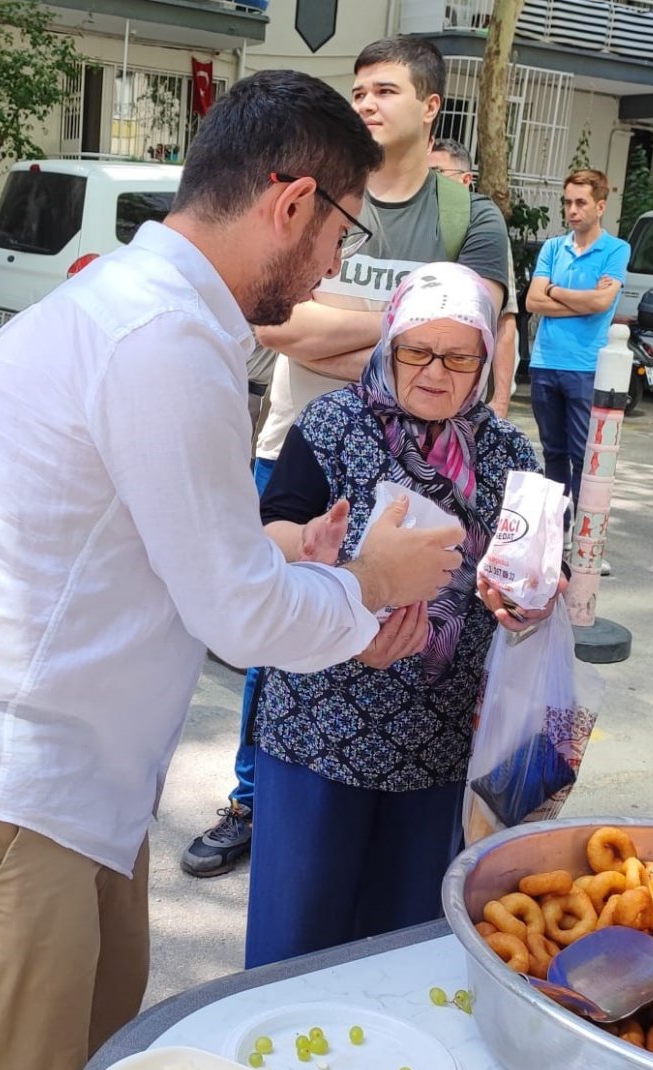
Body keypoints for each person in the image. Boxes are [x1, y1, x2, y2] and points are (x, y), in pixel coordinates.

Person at [0, 70, 468, 1070]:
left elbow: (168, 549)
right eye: (340, 234)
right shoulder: (162, 337)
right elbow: (236, 615)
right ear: (289, 202)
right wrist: (368, 581)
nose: (330, 268)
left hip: (72, 781)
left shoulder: (147, 314)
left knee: (103, 1048)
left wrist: (284, 553)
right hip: (11, 782)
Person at [182, 35, 512, 879]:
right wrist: (396, 329)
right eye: (358, 89)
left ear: (432, 106)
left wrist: (396, 335)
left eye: (386, 90)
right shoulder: (330, 423)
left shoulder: (463, 217)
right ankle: (253, 794)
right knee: (279, 606)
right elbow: (280, 320)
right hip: (299, 442)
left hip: (436, 729)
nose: (367, 102)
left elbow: (462, 318)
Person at [243, 262, 555, 967]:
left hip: (438, 746)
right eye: (417, 351)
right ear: (389, 346)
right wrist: (308, 547)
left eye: (458, 356)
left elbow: (541, 562)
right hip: (320, 732)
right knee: (296, 950)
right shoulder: (332, 424)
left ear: (486, 361)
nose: (435, 373)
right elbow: (269, 533)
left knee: (404, 953)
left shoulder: (506, 451)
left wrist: (530, 589)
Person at [524, 169, 630, 513]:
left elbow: (602, 306)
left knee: (583, 454)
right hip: (545, 363)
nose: (572, 210)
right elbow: (532, 302)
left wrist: (553, 292)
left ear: (600, 206)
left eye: (581, 202)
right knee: (552, 452)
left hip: (584, 367)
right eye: (568, 202)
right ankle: (557, 532)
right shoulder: (553, 248)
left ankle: (586, 538)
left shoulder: (616, 249)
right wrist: (580, 301)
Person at [428, 136, 519, 419]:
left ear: (466, 179)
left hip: (462, 392)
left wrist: (500, 403)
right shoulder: (416, 223)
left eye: (438, 174)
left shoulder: (483, 228)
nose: (430, 183)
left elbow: (504, 321)